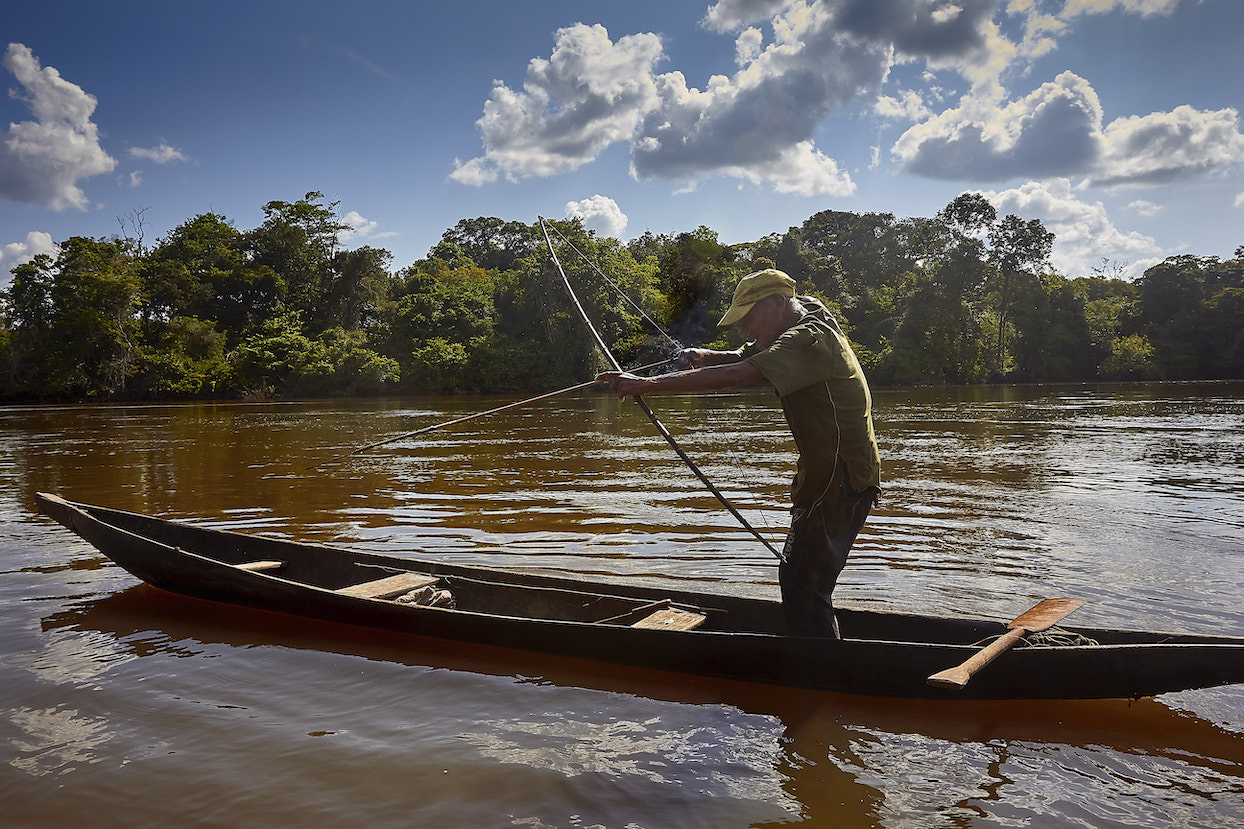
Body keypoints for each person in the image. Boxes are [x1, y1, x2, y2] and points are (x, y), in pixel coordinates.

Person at [596, 268, 881, 638]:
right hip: (840, 473)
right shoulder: (806, 312)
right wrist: (704, 356)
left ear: (776, 304)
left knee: (803, 586)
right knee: (804, 581)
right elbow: (750, 354)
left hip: (837, 479)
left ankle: (821, 666)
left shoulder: (808, 339)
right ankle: (819, 656)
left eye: (749, 318)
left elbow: (739, 374)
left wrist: (646, 384)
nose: (745, 330)